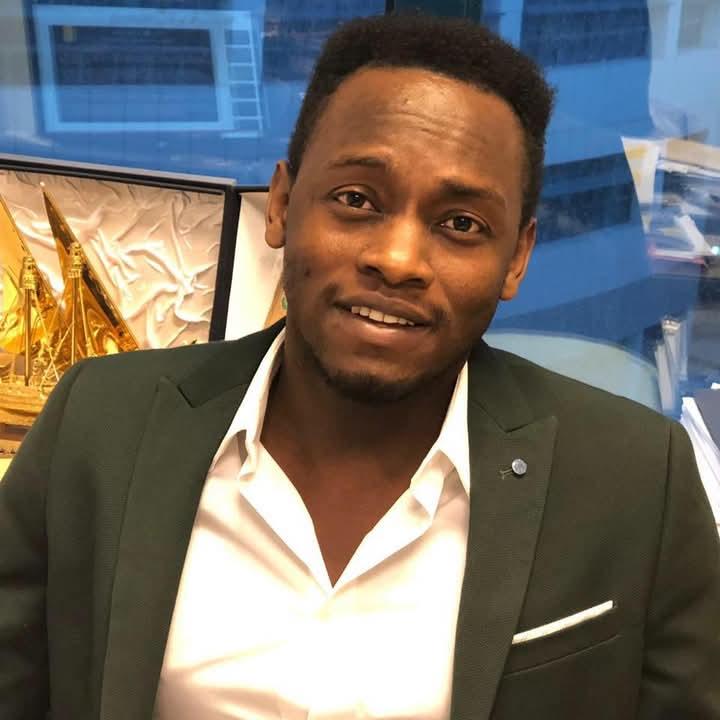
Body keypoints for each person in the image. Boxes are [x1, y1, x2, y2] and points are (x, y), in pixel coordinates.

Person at [1, 13, 718, 720]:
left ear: (517, 257)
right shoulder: (99, 425)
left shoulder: (636, 482)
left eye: (461, 224)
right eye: (356, 200)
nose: (398, 260)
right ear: (282, 204)